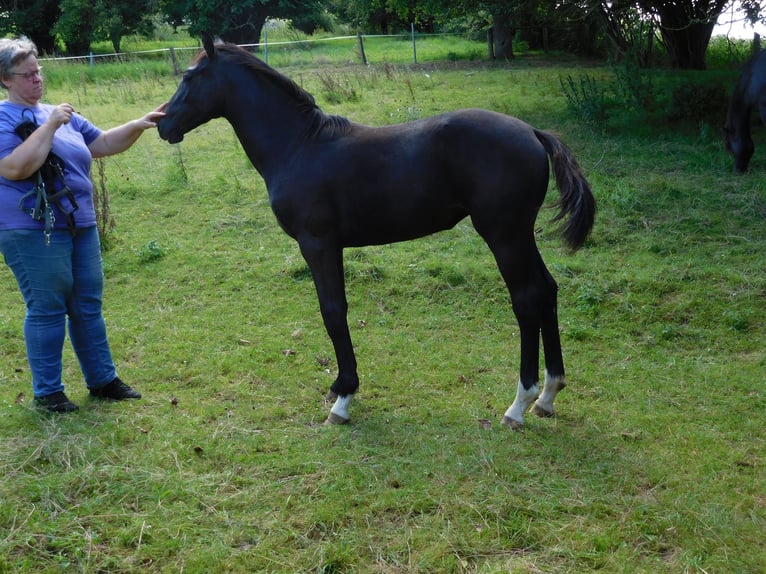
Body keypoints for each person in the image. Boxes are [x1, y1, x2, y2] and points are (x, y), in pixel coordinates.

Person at [0, 36, 165, 413]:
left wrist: (139, 124)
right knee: (46, 307)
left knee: (87, 304)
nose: (37, 80)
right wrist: (51, 125)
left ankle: (103, 380)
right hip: (30, 229)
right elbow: (14, 167)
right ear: (6, 80)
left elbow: (103, 142)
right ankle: (48, 393)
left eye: (38, 71)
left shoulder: (58, 114)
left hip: (79, 224)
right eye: (27, 75)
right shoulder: (5, 118)